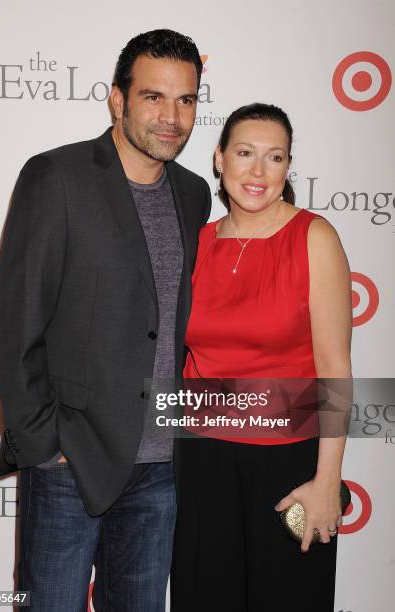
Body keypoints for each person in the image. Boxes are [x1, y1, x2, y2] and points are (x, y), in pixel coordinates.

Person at [0, 29, 211, 611]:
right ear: (117, 99)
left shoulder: (193, 194)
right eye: (153, 97)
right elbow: (16, 323)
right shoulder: (55, 177)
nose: (172, 117)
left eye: (186, 100)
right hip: (72, 461)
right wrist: (42, 444)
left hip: (160, 468)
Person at [171, 103, 352, 612]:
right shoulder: (198, 243)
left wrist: (327, 480)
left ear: (287, 168)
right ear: (219, 158)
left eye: (274, 158)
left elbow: (335, 368)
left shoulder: (314, 237)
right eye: (245, 153)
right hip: (203, 462)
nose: (257, 171)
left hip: (290, 462)